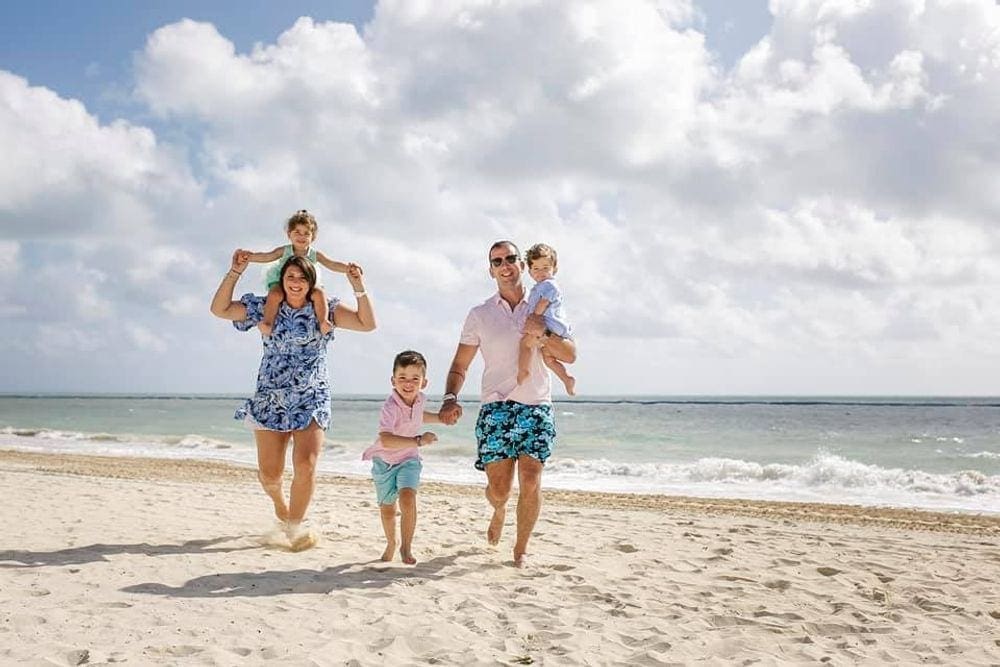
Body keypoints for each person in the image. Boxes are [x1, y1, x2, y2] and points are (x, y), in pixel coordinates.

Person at [210, 249, 375, 551]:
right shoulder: (264, 307)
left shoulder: (325, 310)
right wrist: (235, 272)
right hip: (270, 398)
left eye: (301, 278)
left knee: (305, 465)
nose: (295, 282)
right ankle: (280, 506)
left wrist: (358, 286)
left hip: (311, 396)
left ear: (311, 283)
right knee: (270, 475)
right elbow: (220, 309)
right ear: (281, 280)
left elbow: (367, 323)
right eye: (290, 277)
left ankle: (295, 528)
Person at [438, 240, 577, 568]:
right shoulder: (479, 315)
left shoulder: (544, 301)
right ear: (491, 270)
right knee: (499, 490)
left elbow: (570, 354)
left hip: (537, 405)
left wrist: (543, 330)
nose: (505, 264)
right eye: (497, 260)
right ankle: (499, 510)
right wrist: (449, 398)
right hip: (496, 408)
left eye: (511, 258)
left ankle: (521, 549)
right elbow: (460, 365)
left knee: (531, 478)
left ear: (522, 265)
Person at [361, 350, 442, 565]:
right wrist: (418, 440)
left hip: (409, 460)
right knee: (388, 510)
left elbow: (419, 416)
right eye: (402, 378)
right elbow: (386, 439)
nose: (408, 383)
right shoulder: (389, 407)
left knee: (407, 498)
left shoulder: (420, 400)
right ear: (393, 381)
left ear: (424, 382)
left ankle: (406, 547)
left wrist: (443, 419)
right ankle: (391, 542)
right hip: (384, 463)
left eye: (415, 378)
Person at [242, 209, 357, 337]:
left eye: (306, 233)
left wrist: (347, 268)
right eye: (297, 232)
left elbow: (331, 264)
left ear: (312, 237)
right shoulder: (285, 250)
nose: (301, 237)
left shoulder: (314, 254)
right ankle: (268, 323)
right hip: (282, 279)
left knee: (319, 293)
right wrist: (250, 257)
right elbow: (267, 256)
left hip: (306, 282)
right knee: (275, 294)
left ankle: (323, 321)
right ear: (289, 234)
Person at [517, 243, 576, 395]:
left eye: (545, 268)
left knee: (525, 344)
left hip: (549, 323)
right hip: (550, 326)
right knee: (548, 358)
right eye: (536, 269)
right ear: (530, 271)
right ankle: (566, 378)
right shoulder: (539, 286)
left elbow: (544, 303)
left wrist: (533, 318)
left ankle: (523, 371)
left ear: (554, 268)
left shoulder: (549, 285)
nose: (541, 272)